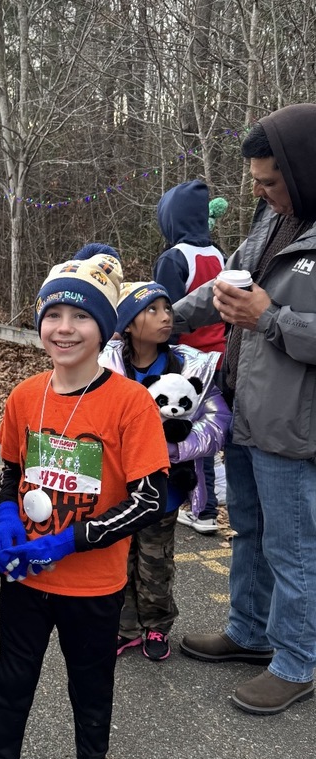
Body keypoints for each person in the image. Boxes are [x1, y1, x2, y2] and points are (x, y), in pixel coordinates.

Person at [0, 254, 170, 759]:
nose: (63, 327)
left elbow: (149, 499)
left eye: (80, 316)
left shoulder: (129, 403)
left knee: (92, 680)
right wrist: (4, 519)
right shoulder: (26, 396)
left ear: (105, 328)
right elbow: (10, 472)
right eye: (52, 313)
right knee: (12, 680)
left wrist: (70, 540)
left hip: (94, 581)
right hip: (26, 576)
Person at [173, 103, 316, 715]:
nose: (260, 191)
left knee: (294, 545)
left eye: (270, 181)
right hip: (245, 409)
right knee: (250, 531)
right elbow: (227, 286)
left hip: (293, 423)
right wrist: (153, 318)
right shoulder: (270, 221)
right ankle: (249, 631)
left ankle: (297, 660)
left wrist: (272, 320)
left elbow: (267, 312)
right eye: (256, 181)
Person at [101, 282, 230, 661]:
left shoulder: (190, 365)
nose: (165, 317)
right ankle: (124, 627)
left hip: (164, 487)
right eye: (152, 310)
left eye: (167, 309)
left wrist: (175, 446)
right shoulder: (106, 365)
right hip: (117, 486)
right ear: (126, 323)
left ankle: (156, 626)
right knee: (119, 556)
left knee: (155, 559)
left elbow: (218, 420)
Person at [153, 179, 227, 536]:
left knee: (185, 429)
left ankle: (202, 507)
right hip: (221, 355)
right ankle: (203, 504)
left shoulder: (174, 258)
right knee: (209, 431)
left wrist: (163, 357)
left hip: (188, 358)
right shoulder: (218, 254)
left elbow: (165, 314)